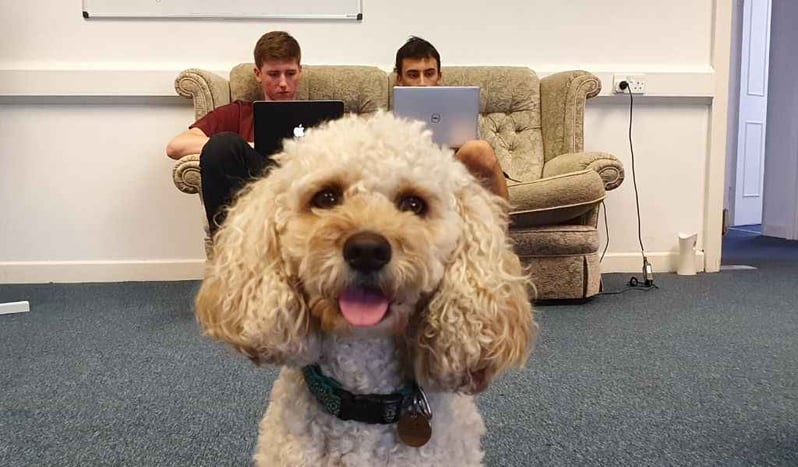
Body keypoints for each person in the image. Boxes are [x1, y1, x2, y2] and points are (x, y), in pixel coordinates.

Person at [166, 31, 302, 234]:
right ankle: (227, 239)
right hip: (248, 204)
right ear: (258, 74)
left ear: (300, 71)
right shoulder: (239, 113)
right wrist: (250, 146)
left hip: (299, 198)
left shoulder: (321, 116)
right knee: (223, 144)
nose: (283, 83)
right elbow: (175, 147)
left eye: (290, 73)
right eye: (273, 74)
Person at [394, 36, 509, 199]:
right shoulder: (387, 121)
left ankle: (503, 224)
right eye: (413, 75)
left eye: (429, 74)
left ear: (439, 76)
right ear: (399, 79)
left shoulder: (460, 110)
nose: (422, 83)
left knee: (479, 150)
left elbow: (482, 159)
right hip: (411, 179)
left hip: (459, 179)